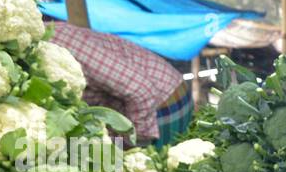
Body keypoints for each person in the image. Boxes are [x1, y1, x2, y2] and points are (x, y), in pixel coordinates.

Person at [46, 20, 194, 146]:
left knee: (152, 171)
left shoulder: (59, 41)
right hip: (135, 110)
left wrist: (133, 144)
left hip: (162, 103)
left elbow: (141, 91)